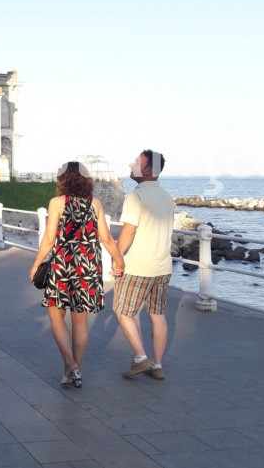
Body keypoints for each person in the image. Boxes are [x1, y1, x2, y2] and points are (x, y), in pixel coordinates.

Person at [29, 162, 125, 388]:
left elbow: (50, 239)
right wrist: (119, 261)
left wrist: (36, 264)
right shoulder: (96, 204)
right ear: (85, 179)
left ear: (63, 179)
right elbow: (107, 239)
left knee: (56, 318)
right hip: (88, 268)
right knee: (80, 322)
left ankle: (70, 365)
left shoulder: (56, 203)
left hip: (63, 265)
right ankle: (75, 369)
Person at [114, 150, 175, 380]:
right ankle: (157, 365)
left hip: (139, 266)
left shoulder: (136, 197)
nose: (131, 164)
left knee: (122, 311)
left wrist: (117, 259)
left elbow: (128, 231)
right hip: (163, 267)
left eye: (137, 162)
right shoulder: (167, 197)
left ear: (148, 170)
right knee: (157, 314)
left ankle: (141, 358)